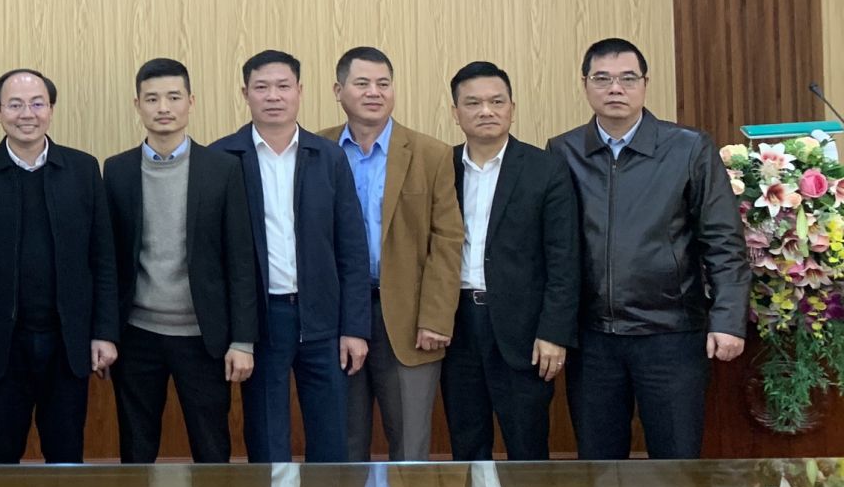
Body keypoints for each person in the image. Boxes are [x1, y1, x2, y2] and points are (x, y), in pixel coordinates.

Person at [550, 37, 747, 459]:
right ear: (585, 84)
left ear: (645, 83)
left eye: (627, 79)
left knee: (676, 462)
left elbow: (724, 242)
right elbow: (554, 248)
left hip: (671, 334)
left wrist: (728, 318)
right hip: (593, 338)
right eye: (602, 79)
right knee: (598, 467)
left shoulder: (689, 148)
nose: (615, 89)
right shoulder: (563, 151)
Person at [211, 50, 371, 463]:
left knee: (331, 437)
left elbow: (352, 249)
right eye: (261, 87)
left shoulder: (328, 156)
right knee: (267, 440)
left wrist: (354, 328)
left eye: (284, 86)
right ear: (245, 93)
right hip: (261, 319)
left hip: (323, 319)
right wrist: (236, 333)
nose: (273, 96)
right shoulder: (222, 158)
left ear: (300, 92)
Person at [0, 69, 118, 464]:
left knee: (65, 455)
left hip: (68, 343)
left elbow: (104, 259)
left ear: (51, 110)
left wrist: (104, 333)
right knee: (0, 454)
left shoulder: (82, 169)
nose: (27, 113)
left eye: (37, 103)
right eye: (15, 104)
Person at [100, 59, 260, 464]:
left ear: (191, 102)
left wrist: (242, 340)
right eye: (152, 99)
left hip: (203, 337)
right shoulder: (116, 171)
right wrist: (103, 333)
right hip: (136, 334)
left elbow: (241, 260)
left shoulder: (222, 170)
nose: (163, 107)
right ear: (137, 105)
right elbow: (107, 261)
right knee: (136, 450)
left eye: (173, 97)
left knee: (212, 449)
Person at [320, 46, 464, 461]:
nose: (374, 92)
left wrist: (436, 317)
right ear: (338, 90)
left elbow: (448, 240)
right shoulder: (318, 149)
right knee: (343, 444)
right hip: (338, 317)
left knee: (411, 445)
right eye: (362, 83)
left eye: (383, 83)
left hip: (409, 317)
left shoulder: (430, 153)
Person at [441, 61, 580, 461]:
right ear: (456, 113)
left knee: (527, 446)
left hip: (523, 331)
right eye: (473, 103)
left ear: (512, 108)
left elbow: (564, 258)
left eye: (496, 101)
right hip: (457, 327)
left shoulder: (545, 169)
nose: (486, 110)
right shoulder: (440, 167)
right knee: (467, 444)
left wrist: (554, 332)